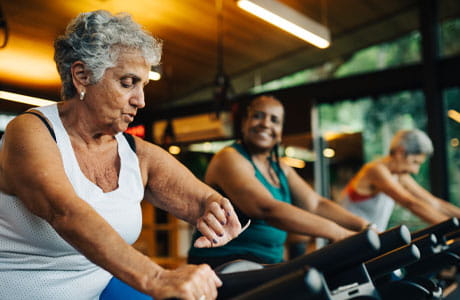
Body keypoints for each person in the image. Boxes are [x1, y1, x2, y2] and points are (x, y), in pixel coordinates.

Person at [0, 10, 244, 300]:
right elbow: (65, 212)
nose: (140, 100)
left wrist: (218, 212)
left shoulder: (136, 154)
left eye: (143, 85)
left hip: (99, 290)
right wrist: (157, 277)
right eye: (128, 83)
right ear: (82, 76)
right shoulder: (29, 132)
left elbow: (204, 202)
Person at [188, 95, 370, 269]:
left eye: (274, 120)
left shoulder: (280, 168)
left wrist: (364, 226)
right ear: (244, 123)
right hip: (225, 263)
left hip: (267, 263)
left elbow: (316, 204)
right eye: (258, 116)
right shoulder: (229, 158)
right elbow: (267, 209)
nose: (266, 123)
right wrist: (338, 233)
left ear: (280, 133)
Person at [341, 129, 460, 231]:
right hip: (347, 243)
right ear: (400, 152)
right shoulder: (376, 170)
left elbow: (435, 203)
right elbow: (411, 204)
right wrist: (452, 228)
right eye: (415, 162)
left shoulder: (399, 176)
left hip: (366, 240)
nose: (415, 170)